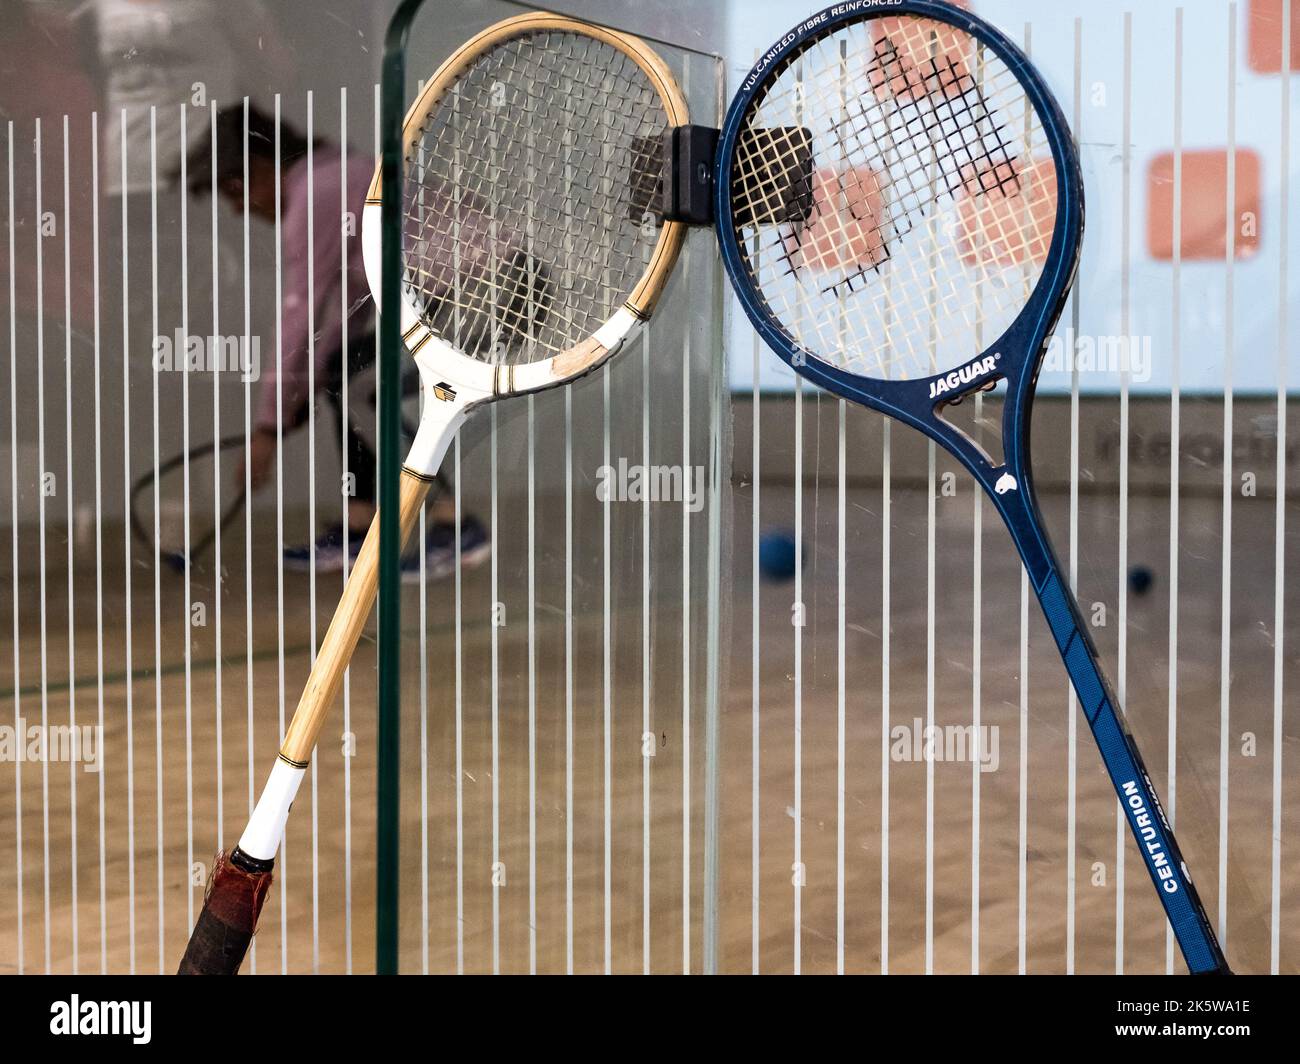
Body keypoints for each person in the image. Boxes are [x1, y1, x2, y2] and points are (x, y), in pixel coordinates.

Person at [187, 104, 488, 579]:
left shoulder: (317, 193)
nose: (238, 208)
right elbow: (348, 314)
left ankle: (455, 525)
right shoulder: (334, 178)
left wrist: (269, 425)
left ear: (260, 166)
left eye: (233, 190)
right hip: (467, 292)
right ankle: (361, 526)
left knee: (360, 387)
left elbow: (300, 316)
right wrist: (300, 392)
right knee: (349, 374)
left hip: (493, 291)